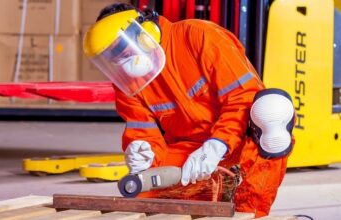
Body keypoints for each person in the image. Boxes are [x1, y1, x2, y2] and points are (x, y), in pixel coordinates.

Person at [83, 3, 295, 217]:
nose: (121, 62)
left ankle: (248, 212)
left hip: (238, 140)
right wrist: (142, 152)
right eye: (112, 58)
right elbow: (142, 130)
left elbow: (243, 98)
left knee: (272, 111)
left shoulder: (200, 36)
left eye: (122, 50)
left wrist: (217, 144)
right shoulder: (128, 82)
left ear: (144, 33)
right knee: (142, 192)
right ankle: (214, 190)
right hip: (190, 153)